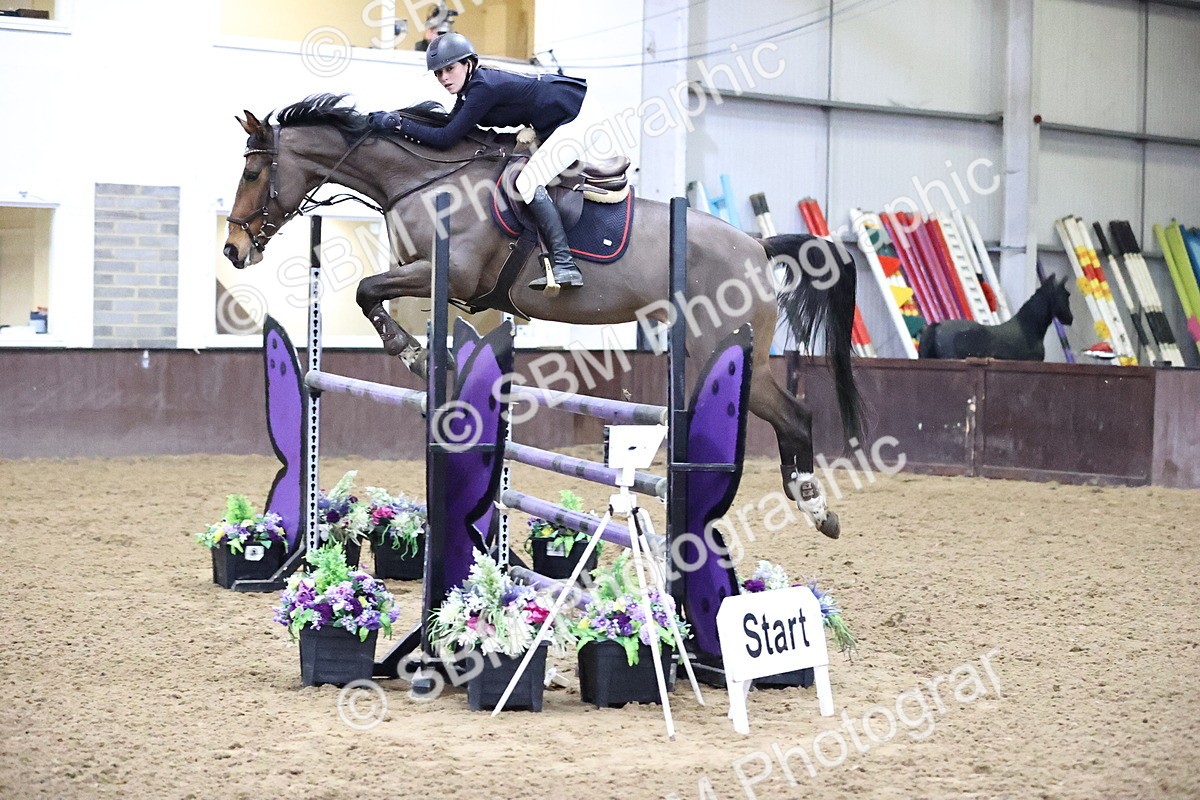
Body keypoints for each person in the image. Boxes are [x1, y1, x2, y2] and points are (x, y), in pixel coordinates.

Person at [375, 32, 594, 290]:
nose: (444, 77)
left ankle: (565, 263)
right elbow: (450, 126)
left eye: (449, 69)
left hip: (578, 118)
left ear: (468, 64)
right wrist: (397, 123)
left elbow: (446, 137)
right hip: (557, 120)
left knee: (527, 182)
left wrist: (400, 125)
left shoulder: (483, 88)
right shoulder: (470, 90)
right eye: (438, 73)